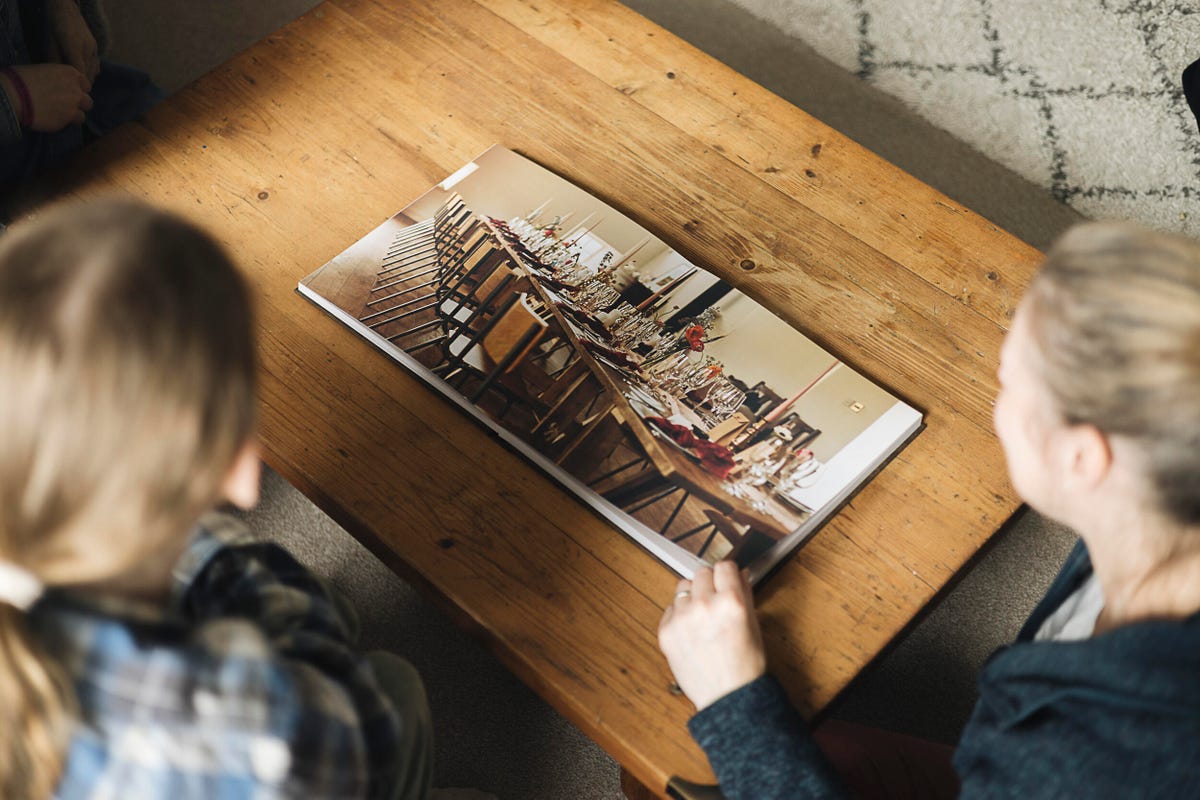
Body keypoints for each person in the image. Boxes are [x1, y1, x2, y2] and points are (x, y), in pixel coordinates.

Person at [658, 221, 1200, 798]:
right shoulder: (1152, 511)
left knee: (686, 760)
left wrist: (730, 698)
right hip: (994, 755)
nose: (997, 402)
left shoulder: (1090, 762)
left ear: (1082, 457)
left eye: (1009, 384)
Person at [0, 201, 433, 799]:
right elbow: (345, 731)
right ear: (238, 470)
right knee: (394, 684)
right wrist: (223, 558)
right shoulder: (236, 714)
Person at [1, 0, 160, 184]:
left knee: (166, 123)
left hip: (77, 86)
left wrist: (61, 7)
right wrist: (14, 95)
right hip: (15, 170)